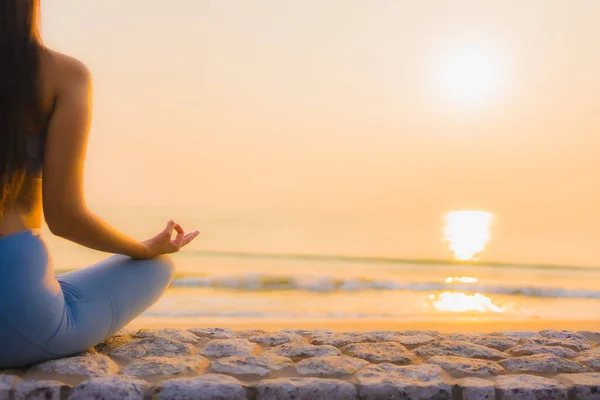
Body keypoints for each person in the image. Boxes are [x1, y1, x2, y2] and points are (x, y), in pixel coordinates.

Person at [0, 1, 199, 368]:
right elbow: (65, 217)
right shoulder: (61, 74)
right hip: (16, 321)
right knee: (156, 269)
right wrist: (143, 248)